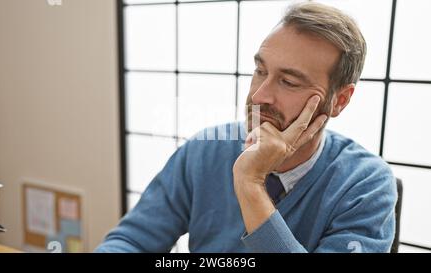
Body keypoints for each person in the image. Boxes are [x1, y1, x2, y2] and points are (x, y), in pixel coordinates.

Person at [96, 2, 397, 253]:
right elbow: (131, 240)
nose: (259, 95)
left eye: (289, 82)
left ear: (339, 101)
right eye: (260, 71)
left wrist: (250, 183)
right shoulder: (204, 151)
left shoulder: (366, 185)